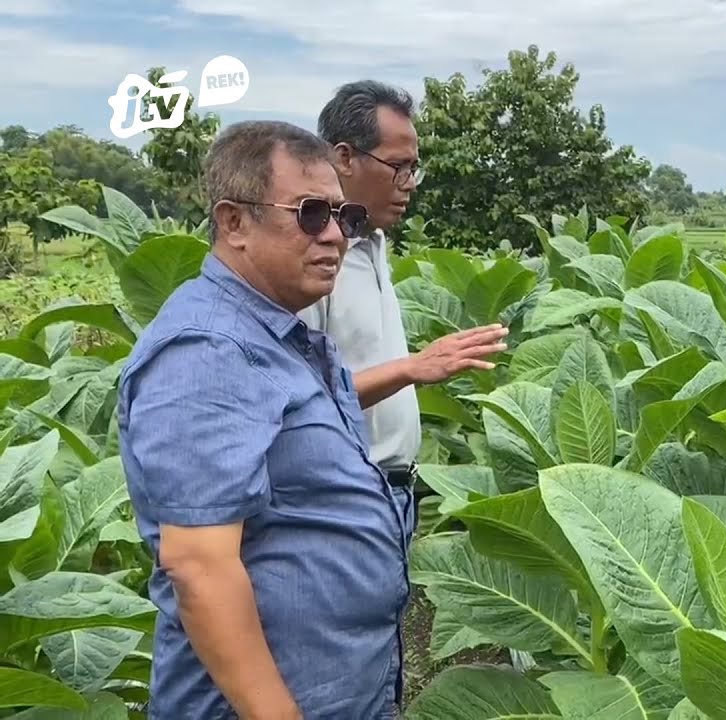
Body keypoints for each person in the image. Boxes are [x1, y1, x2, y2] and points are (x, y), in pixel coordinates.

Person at [117, 120, 410, 718]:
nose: (336, 236)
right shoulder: (208, 350)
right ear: (234, 223)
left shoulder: (277, 335)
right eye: (310, 214)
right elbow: (199, 566)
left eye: (345, 216)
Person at [300, 79, 508, 517]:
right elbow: (298, 396)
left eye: (414, 168)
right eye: (397, 167)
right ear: (344, 158)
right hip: (342, 500)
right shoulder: (312, 260)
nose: (409, 184)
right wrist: (413, 368)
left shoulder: (373, 244)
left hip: (393, 494)